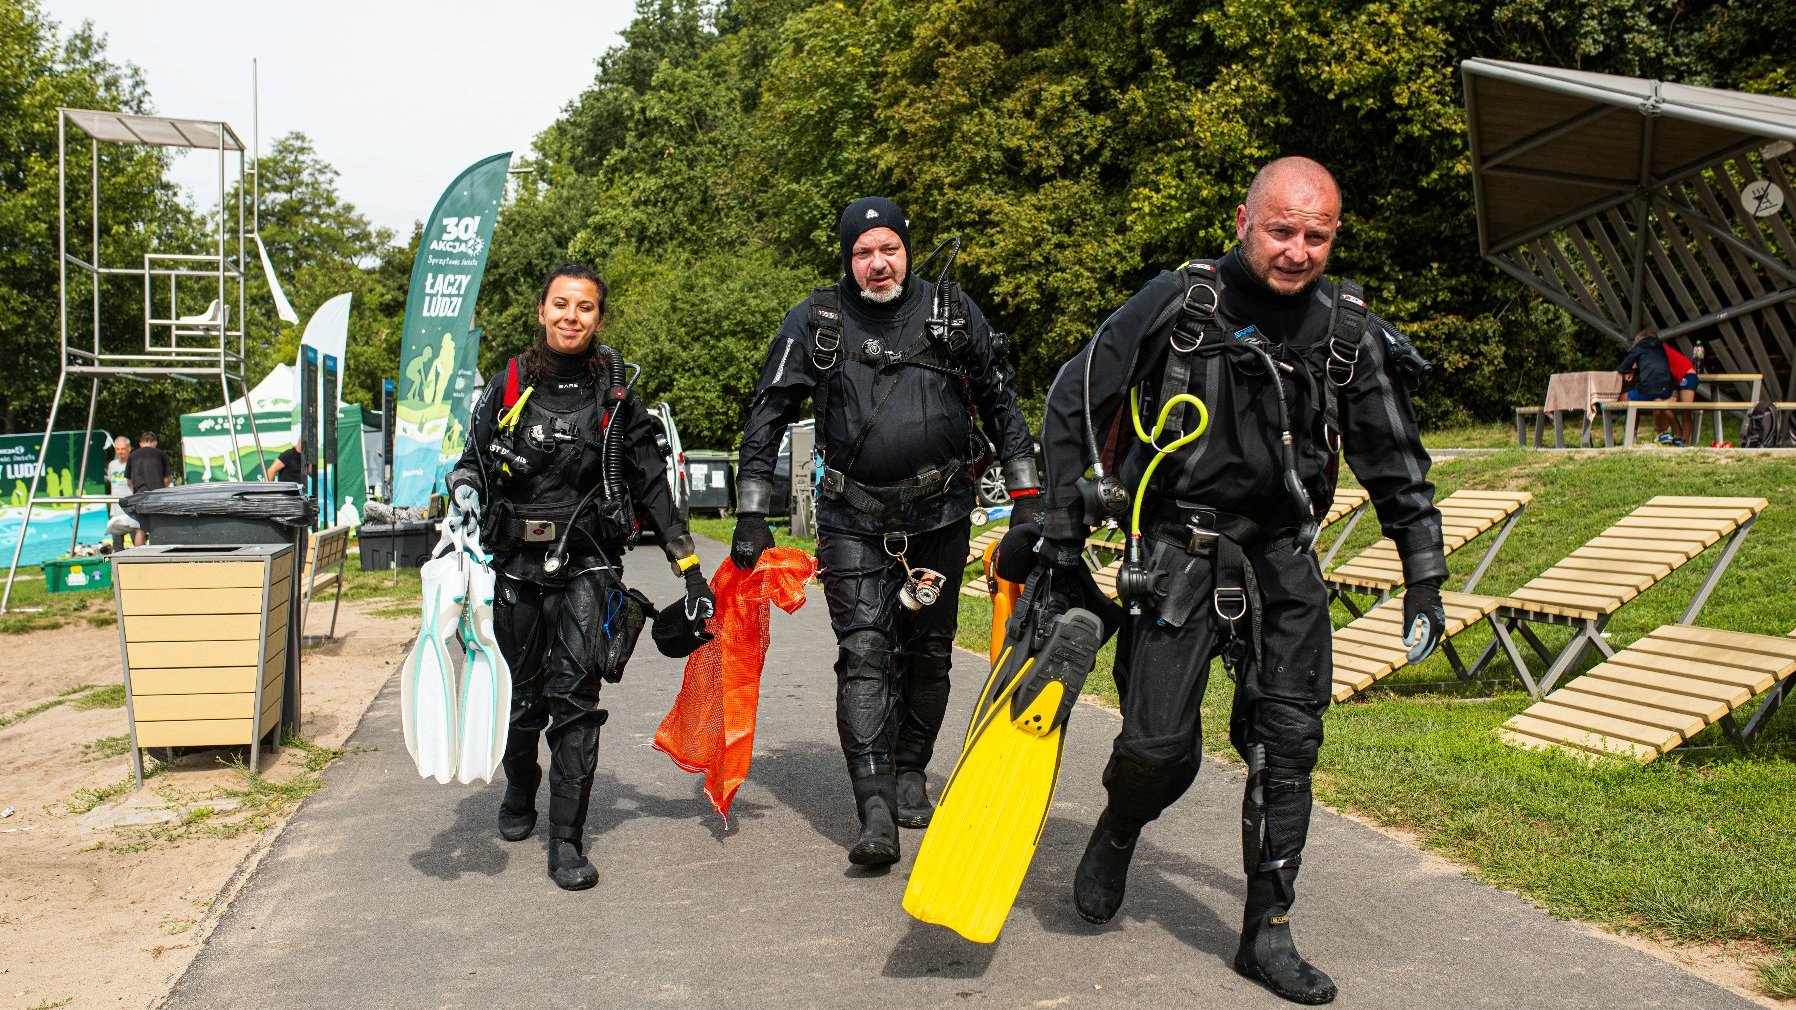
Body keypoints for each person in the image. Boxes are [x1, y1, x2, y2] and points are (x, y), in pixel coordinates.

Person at [1036, 157, 1445, 1005]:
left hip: (1285, 557)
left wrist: (1424, 575)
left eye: (1317, 236)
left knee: (1288, 747)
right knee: (1156, 747)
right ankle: (1119, 827)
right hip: (1178, 550)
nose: (1297, 250)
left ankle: (1268, 933)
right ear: (1242, 220)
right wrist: (1062, 531)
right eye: (1281, 230)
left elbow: (1396, 462)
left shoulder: (1347, 331)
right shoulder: (1179, 302)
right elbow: (1074, 396)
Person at [731, 197, 1038, 867]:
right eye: (863, 253)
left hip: (942, 516)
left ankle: (909, 772)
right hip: (851, 521)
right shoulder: (815, 321)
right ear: (848, 259)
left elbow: (999, 398)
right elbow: (767, 414)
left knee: (929, 651)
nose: (877, 264)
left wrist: (1028, 499)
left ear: (906, 249)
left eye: (888, 250)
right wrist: (752, 510)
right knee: (866, 650)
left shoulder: (952, 312)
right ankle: (873, 809)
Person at [445, 263, 714, 891]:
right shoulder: (508, 384)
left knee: (576, 703)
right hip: (514, 565)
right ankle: (519, 788)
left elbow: (651, 482)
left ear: (599, 317)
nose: (572, 316)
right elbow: (471, 464)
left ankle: (566, 840)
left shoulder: (616, 400)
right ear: (541, 311)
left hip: (588, 564)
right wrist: (461, 492)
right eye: (561, 305)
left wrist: (691, 571)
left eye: (585, 307)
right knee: (521, 701)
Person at [1615, 328, 1679, 445]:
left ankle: (1631, 436)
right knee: (1658, 400)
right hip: (1667, 389)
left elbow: (1623, 367)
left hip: (1649, 389)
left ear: (1640, 339)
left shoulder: (1640, 345)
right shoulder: (1661, 347)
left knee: (1623, 398)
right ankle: (1674, 435)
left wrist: (1630, 369)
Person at [125, 431, 173, 546]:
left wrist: (136, 490)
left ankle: (139, 556)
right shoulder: (161, 454)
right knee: (158, 526)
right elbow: (167, 478)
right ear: (155, 443)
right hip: (158, 494)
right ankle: (157, 553)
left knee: (140, 528)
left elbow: (129, 481)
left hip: (139, 494)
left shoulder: (133, 455)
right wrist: (161, 488)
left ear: (141, 443)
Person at [105, 435, 137, 552]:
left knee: (137, 541)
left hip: (131, 508)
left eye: (122, 449)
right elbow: (110, 482)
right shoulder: (112, 465)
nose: (120, 452)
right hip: (115, 510)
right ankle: (118, 569)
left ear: (129, 448)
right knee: (117, 544)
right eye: (118, 449)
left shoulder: (135, 463)